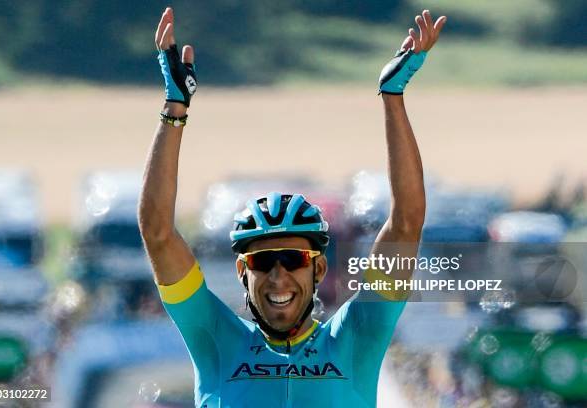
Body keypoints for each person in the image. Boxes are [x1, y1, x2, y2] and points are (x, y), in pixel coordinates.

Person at [139, 7, 446, 407]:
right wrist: (174, 109)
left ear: (318, 267)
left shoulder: (356, 337)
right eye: (263, 262)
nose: (279, 276)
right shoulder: (214, 338)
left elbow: (406, 222)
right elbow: (158, 232)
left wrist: (393, 96)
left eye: (292, 258)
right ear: (241, 272)